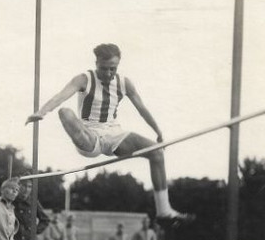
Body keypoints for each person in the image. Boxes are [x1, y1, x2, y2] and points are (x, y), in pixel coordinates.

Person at [26, 42, 187, 221]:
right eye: (104, 69)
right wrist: (41, 112)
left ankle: (164, 211)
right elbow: (61, 96)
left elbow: (142, 109)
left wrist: (158, 131)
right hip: (89, 135)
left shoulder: (124, 83)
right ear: (96, 63)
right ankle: (77, 136)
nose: (109, 74)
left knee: (156, 153)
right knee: (65, 112)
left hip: (113, 134)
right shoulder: (84, 79)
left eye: (113, 69)